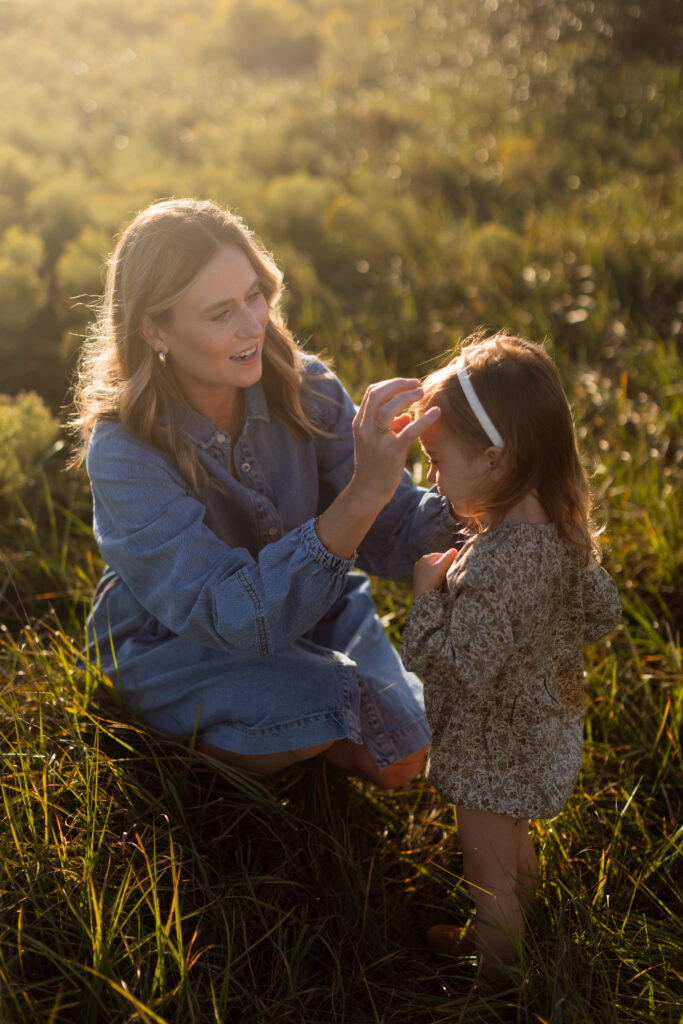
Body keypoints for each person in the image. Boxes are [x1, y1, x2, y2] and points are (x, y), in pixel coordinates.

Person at [69, 197, 460, 788]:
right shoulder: (124, 451)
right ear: (154, 328)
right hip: (178, 639)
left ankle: (295, 721)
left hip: (318, 606)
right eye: (219, 313)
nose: (253, 325)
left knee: (402, 758)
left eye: (254, 295)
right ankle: (195, 754)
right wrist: (358, 498)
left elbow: (394, 528)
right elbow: (234, 618)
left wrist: (495, 494)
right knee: (318, 709)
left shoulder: (309, 389)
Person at [400, 332, 621, 981]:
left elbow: (452, 665)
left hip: (490, 753)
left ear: (494, 460)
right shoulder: (559, 536)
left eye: (438, 462)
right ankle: (520, 924)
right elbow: (600, 612)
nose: (432, 479)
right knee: (511, 843)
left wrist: (427, 598)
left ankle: (497, 971)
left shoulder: (495, 568)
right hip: (540, 735)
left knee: (485, 865)